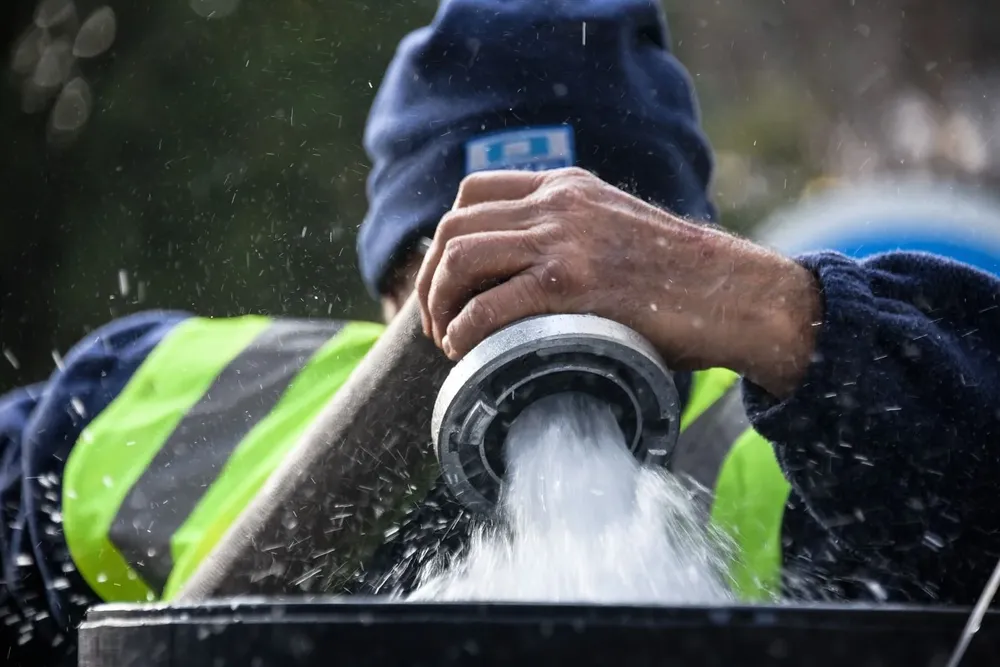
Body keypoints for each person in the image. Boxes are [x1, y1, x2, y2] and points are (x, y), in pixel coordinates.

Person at [4, 0, 1000, 664]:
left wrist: (794, 316)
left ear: (674, 270)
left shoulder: (817, 440)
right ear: (395, 290)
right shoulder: (174, 412)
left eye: (595, 261)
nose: (531, 301)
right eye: (469, 272)